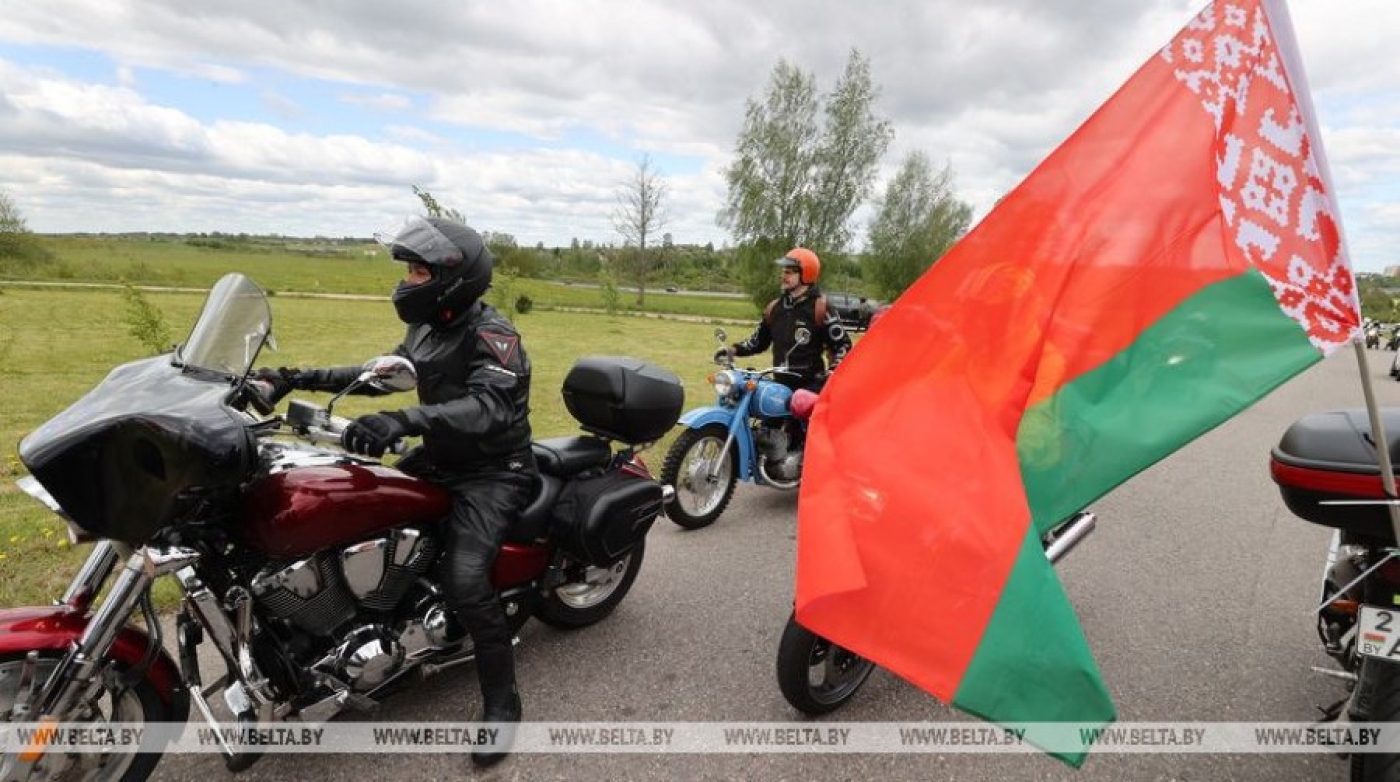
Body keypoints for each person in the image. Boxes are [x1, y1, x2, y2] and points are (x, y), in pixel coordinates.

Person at [255, 216, 534, 768]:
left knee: (466, 578)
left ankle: (502, 703)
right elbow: (377, 374)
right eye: (408, 270)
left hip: (494, 470)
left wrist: (403, 420)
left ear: (454, 278)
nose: (408, 281)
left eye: (418, 270)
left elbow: (490, 407)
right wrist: (291, 375)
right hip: (440, 457)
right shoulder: (427, 325)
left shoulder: (494, 335)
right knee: (361, 511)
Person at [717, 247, 853, 393]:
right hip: (779, 387)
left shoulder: (821, 308)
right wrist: (733, 350)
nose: (783, 275)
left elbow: (843, 346)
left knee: (799, 409)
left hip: (809, 389)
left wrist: (832, 372)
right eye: (783, 271)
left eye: (789, 272)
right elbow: (757, 342)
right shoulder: (775, 307)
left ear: (805, 274)